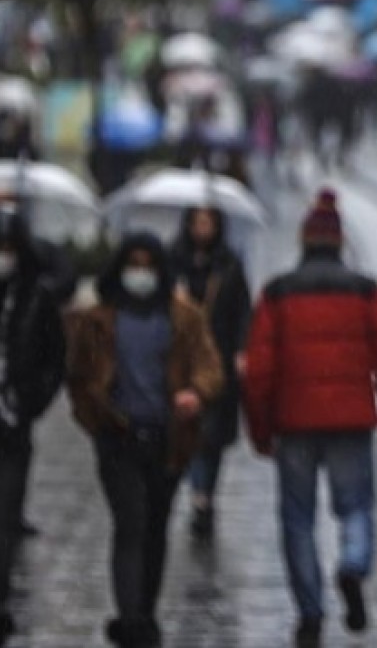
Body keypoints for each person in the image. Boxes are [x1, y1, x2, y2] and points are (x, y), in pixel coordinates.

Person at [243, 189, 377, 648]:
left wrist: (259, 429)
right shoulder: (365, 290)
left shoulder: (277, 294)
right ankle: (353, 565)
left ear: (303, 242)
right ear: (338, 243)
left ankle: (310, 614)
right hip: (352, 420)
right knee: (355, 506)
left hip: (293, 425)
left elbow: (258, 372)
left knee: (297, 519)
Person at [65, 232, 222, 648]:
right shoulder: (100, 320)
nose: (140, 273)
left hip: (167, 439)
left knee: (154, 527)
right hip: (118, 438)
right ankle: (131, 620)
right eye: (132, 263)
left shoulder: (183, 317)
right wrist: (95, 419)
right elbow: (78, 376)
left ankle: (145, 612)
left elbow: (209, 366)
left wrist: (196, 393)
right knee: (130, 524)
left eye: (147, 264)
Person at [0, 205, 64, 648]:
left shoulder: (35, 297)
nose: (1, 256)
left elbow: (54, 359)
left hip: (9, 427)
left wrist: (29, 402)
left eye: (8, 248)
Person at [170, 207, 252, 540]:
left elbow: (242, 309)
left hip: (217, 358)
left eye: (209, 222)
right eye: (197, 222)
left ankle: (204, 494)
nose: (202, 228)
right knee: (189, 430)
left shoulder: (229, 263)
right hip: (181, 360)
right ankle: (198, 493)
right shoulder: (173, 261)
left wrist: (241, 350)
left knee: (212, 435)